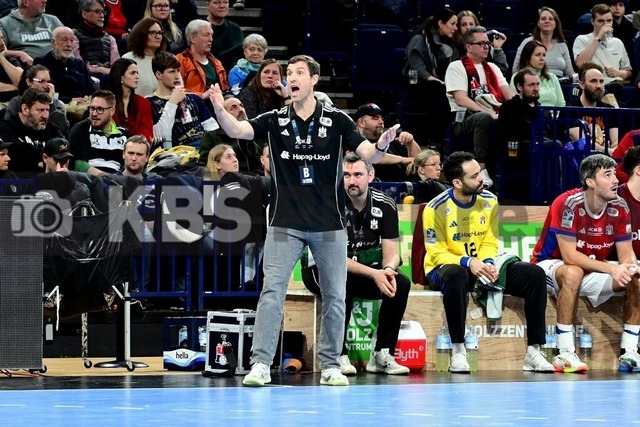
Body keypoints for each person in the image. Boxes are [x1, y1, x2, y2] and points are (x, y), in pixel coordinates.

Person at [208, 54, 401, 387]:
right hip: (285, 223)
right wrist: (219, 109)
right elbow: (237, 129)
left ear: (313, 80)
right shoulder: (275, 119)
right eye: (289, 73)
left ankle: (331, 365)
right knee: (272, 291)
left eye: (299, 72)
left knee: (336, 295)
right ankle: (260, 364)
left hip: (328, 224)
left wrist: (381, 145)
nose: (292, 78)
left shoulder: (337, 120)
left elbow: (368, 153)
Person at [423, 151, 554, 373]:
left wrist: (487, 262)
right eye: (474, 176)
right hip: (444, 267)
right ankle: (458, 351)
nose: (481, 179)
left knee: (534, 275)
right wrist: (468, 262)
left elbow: (490, 240)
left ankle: (534, 351)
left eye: (480, 173)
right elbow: (436, 252)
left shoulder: (489, 200)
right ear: (457, 182)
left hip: (480, 264)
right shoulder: (435, 208)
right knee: (456, 275)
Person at [294, 153, 408, 376]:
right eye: (346, 175)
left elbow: (392, 253)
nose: (351, 181)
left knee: (400, 283)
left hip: (364, 268)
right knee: (340, 282)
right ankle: (338, 354)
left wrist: (387, 270)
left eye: (358, 174)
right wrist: (374, 274)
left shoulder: (385, 204)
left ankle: (382, 354)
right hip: (319, 268)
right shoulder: (326, 203)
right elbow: (332, 258)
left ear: (371, 175)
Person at [532, 154, 640, 372]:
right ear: (590, 182)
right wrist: (612, 269)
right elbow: (570, 257)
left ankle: (629, 352)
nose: (615, 180)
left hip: (592, 269)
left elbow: (626, 253)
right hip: (550, 266)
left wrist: (631, 266)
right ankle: (564, 352)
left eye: (614, 174)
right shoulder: (568, 203)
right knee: (573, 272)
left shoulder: (620, 207)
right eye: (607, 175)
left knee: (635, 277)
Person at [444, 26, 514, 188]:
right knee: (484, 118)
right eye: (481, 43)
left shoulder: (493, 68)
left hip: (493, 116)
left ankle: (508, 171)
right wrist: (490, 113)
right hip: (463, 120)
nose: (486, 47)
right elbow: (461, 99)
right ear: (469, 47)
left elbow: (508, 94)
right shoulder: (456, 67)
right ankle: (481, 168)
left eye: (487, 44)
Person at [404, 7, 459, 148]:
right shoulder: (419, 40)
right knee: (437, 88)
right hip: (419, 85)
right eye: (452, 24)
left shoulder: (451, 45)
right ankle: (435, 140)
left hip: (441, 85)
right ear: (440, 23)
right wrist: (438, 81)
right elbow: (418, 67)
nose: (456, 28)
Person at [148, 51, 218, 150]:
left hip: (205, 147)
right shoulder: (149, 102)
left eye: (178, 71)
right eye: (172, 72)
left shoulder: (194, 98)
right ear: (159, 74)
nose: (177, 76)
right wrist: (172, 103)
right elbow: (161, 136)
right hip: (178, 152)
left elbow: (212, 127)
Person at [0, 88, 63, 176]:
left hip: (49, 180)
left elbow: (63, 150)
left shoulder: (51, 129)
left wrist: (37, 160)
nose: (45, 116)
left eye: (47, 110)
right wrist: (49, 160)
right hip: (18, 180)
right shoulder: (6, 127)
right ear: (25, 109)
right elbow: (14, 154)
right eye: (40, 110)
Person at [353, 102, 421, 182]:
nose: (381, 121)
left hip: (401, 188)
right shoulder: (353, 144)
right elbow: (372, 156)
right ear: (361, 122)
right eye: (375, 118)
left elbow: (419, 164)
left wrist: (411, 142)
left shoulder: (393, 143)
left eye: (382, 118)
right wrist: (402, 159)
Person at [68, 89, 129, 174]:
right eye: (92, 108)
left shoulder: (124, 134)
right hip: (88, 179)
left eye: (100, 109)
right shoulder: (80, 129)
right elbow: (78, 163)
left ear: (112, 111)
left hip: (117, 178)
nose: (94, 113)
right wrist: (104, 176)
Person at [573, 3, 632, 87]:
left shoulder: (618, 42)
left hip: (617, 84)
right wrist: (599, 37)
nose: (605, 24)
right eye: (601, 21)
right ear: (592, 21)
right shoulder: (582, 39)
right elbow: (580, 63)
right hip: (595, 86)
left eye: (609, 21)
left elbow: (629, 72)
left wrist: (619, 73)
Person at [199, 94, 261, 173]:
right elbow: (206, 165)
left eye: (241, 106)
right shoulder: (211, 137)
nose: (241, 110)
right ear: (223, 114)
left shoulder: (256, 131)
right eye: (234, 107)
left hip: (260, 177)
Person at [33, 26, 96, 103]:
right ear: (53, 43)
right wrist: (69, 100)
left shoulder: (80, 64)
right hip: (56, 104)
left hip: (83, 104)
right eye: (64, 40)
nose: (69, 44)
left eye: (72, 40)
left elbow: (91, 90)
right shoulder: (41, 62)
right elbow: (40, 92)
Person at [512, 7, 575, 79]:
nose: (547, 21)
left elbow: (569, 71)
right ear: (538, 23)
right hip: (535, 81)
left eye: (550, 19)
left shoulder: (562, 44)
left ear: (556, 23)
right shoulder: (527, 42)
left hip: (560, 82)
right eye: (543, 19)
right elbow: (516, 70)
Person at [568, 62, 619, 152]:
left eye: (601, 81)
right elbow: (584, 142)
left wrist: (613, 151)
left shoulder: (610, 110)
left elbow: (616, 141)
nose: (598, 86)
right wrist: (607, 151)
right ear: (582, 85)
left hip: (608, 157)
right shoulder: (570, 109)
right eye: (593, 81)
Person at [5, 64, 69, 135]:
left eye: (48, 82)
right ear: (29, 82)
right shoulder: (16, 102)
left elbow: (62, 130)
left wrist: (50, 103)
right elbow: (7, 128)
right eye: (41, 81)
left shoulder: (57, 104)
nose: (46, 86)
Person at [0, 0, 62, 66]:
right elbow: (1, 51)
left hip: (59, 66)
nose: (45, 1)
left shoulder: (53, 20)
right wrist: (19, 54)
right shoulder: (4, 24)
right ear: (26, 2)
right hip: (28, 69)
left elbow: (68, 42)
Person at [177, 19, 228, 98]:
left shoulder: (217, 63)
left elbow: (225, 89)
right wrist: (202, 96)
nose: (211, 39)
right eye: (206, 35)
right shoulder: (180, 61)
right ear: (192, 38)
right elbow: (175, 90)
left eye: (211, 35)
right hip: (193, 104)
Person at [107, 58, 154, 142]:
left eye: (137, 73)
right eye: (132, 73)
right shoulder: (106, 102)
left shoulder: (143, 103)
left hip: (137, 147)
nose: (137, 76)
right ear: (121, 76)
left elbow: (147, 132)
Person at [510, 41, 565, 107]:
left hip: (553, 113)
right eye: (538, 55)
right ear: (528, 57)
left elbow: (561, 104)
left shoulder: (552, 77)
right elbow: (515, 102)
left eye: (544, 55)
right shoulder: (517, 76)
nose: (542, 58)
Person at [74, 0, 120, 79]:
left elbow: (117, 65)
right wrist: (99, 69)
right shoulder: (74, 37)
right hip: (86, 78)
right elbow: (77, 64)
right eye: (97, 11)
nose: (102, 15)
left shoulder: (110, 39)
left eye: (103, 12)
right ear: (84, 14)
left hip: (109, 78)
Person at [122, 18, 167, 97]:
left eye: (160, 33)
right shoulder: (128, 59)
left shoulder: (167, 59)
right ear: (141, 35)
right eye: (153, 33)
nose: (158, 36)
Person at [454, 10, 508, 76]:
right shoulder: (454, 47)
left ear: (476, 26)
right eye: (463, 25)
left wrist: (497, 48)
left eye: (471, 24)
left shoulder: (486, 46)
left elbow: (500, 71)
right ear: (458, 27)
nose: (468, 27)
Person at [205, 0, 244, 72]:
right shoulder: (199, 28)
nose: (222, 6)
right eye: (217, 2)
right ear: (208, 5)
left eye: (225, 2)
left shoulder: (235, 29)